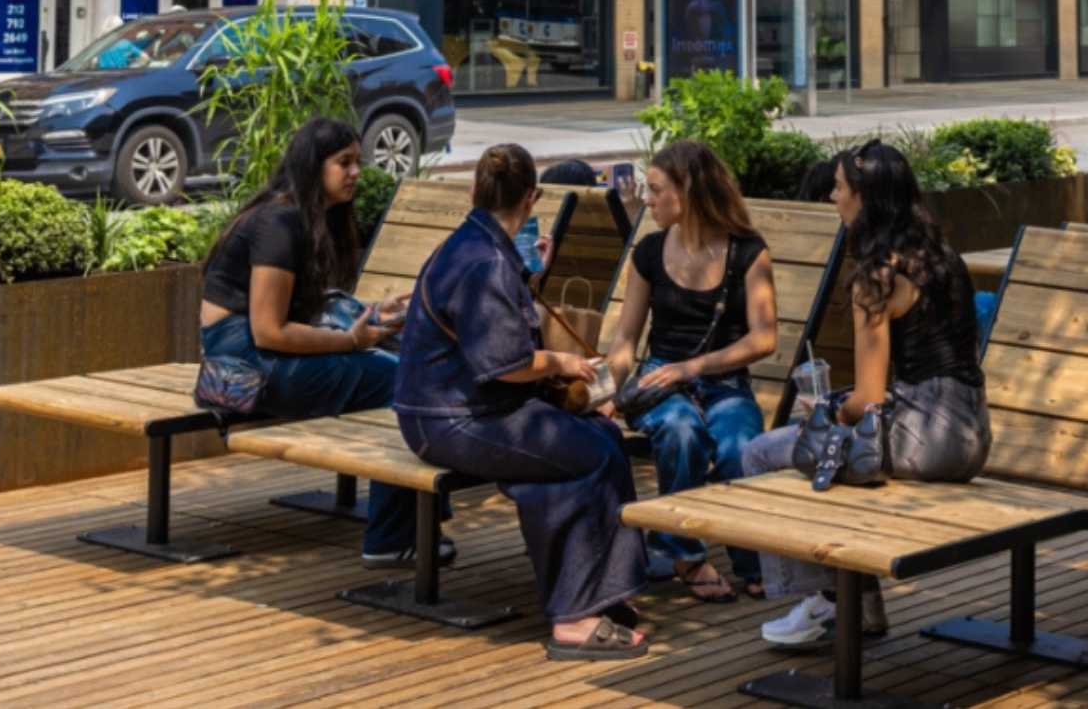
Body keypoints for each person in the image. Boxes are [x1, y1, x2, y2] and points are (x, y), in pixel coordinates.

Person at [393, 144, 650, 660]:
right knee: (593, 456)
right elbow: (505, 365)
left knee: (601, 437)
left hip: (451, 412)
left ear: (474, 192)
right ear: (532, 198)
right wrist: (561, 363)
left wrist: (532, 274)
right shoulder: (485, 262)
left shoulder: (473, 245)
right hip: (454, 419)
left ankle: (602, 592)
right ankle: (574, 618)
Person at [739, 141, 992, 647]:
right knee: (835, 452)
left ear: (865, 198)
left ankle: (830, 603)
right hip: (972, 432)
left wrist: (829, 409)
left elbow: (870, 400)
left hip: (927, 437)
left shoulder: (875, 279)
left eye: (838, 187)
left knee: (765, 453)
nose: (832, 197)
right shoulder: (943, 257)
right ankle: (860, 606)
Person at [198, 118, 423, 568]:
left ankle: (413, 522)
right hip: (246, 361)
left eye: (358, 161)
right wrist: (349, 341)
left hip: (255, 350)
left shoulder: (305, 217)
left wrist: (371, 316)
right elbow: (269, 331)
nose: (356, 172)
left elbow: (300, 308)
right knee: (407, 385)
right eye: (344, 162)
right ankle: (392, 536)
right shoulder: (280, 222)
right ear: (311, 167)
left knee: (409, 370)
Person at [602, 140, 778, 603]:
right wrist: (606, 392)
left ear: (690, 192)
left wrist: (693, 367)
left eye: (657, 190)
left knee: (742, 446)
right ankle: (683, 553)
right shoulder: (650, 251)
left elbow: (764, 338)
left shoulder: (747, 252)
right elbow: (625, 341)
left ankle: (751, 560)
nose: (647, 199)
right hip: (661, 381)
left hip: (723, 381)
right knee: (681, 431)